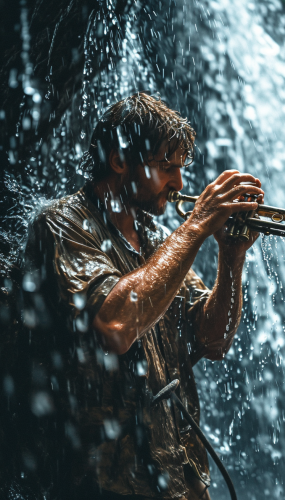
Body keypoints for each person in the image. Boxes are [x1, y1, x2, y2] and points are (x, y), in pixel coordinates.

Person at [21, 93, 264, 500]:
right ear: (119, 161)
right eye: (167, 167)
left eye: (181, 169)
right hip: (104, 481)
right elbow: (114, 326)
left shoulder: (156, 238)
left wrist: (230, 256)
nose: (180, 184)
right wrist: (197, 226)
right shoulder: (62, 225)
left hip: (178, 476)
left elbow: (213, 340)